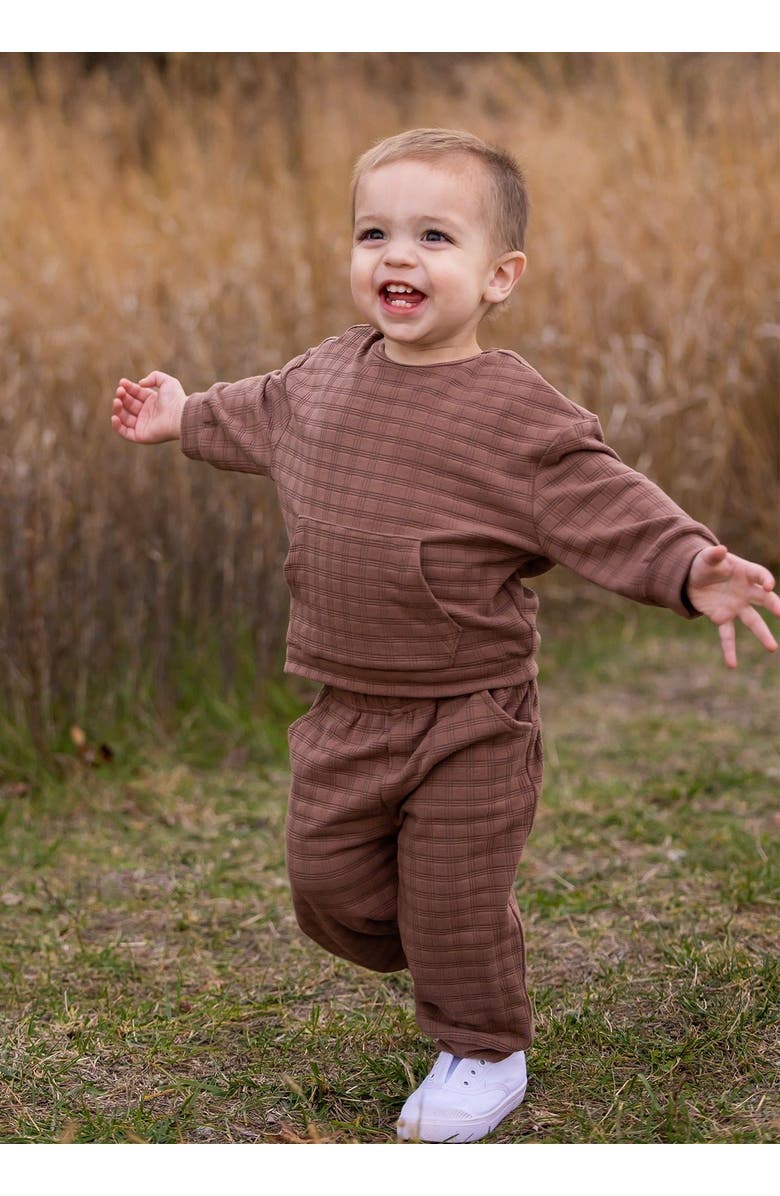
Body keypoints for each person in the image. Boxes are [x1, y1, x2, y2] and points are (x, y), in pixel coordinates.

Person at [111, 128, 780, 1143]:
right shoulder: (322, 377)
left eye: (433, 235)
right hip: (345, 704)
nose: (397, 255)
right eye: (374, 231)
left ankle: (482, 1044)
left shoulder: (515, 415)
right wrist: (179, 415)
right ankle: (441, 944)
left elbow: (607, 503)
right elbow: (251, 413)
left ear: (499, 274)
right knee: (325, 886)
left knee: (457, 888)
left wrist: (692, 567)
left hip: (472, 710)